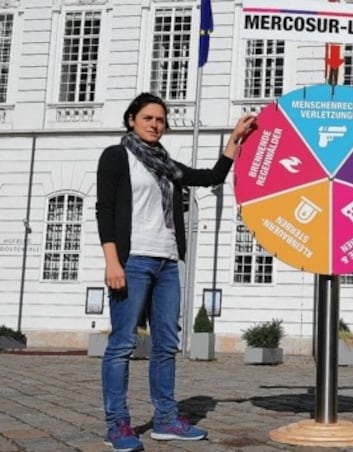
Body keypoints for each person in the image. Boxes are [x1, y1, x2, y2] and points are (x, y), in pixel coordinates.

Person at [96, 92, 256, 452]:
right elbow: (104, 210)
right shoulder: (117, 156)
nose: (156, 124)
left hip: (167, 261)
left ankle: (166, 420)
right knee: (122, 344)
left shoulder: (166, 165)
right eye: (149, 118)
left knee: (166, 345)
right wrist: (112, 261)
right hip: (132, 260)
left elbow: (209, 176)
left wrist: (235, 139)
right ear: (131, 120)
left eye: (161, 120)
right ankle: (117, 424)